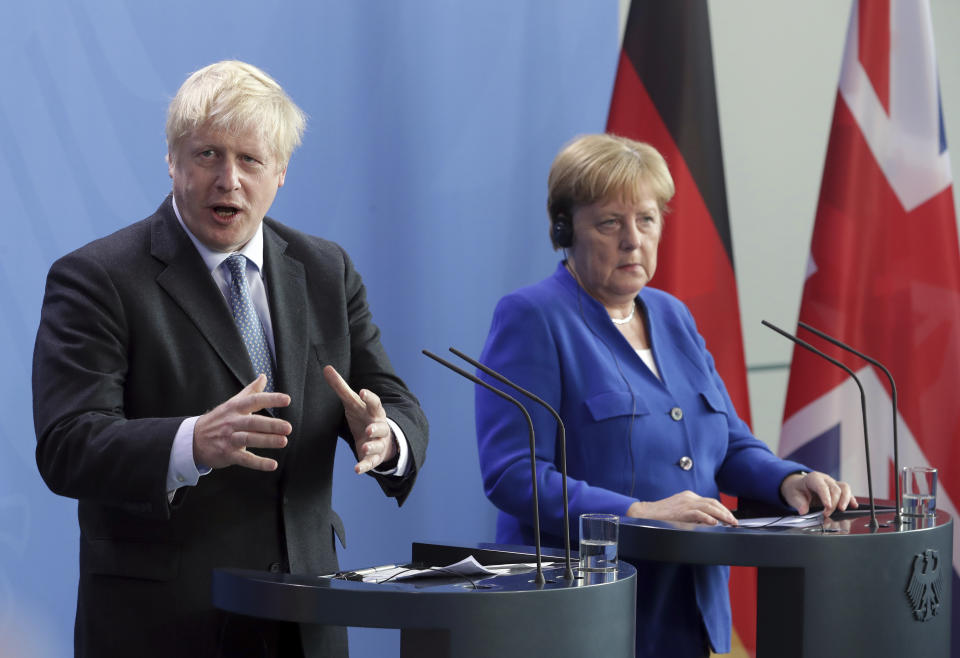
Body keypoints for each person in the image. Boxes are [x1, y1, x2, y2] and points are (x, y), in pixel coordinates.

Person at [32, 60, 428, 658]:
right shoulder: (97, 278)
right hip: (166, 622)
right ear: (172, 160)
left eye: (251, 160)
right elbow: (67, 443)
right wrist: (191, 441)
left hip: (306, 614)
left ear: (281, 172)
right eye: (207, 155)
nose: (229, 180)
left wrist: (385, 434)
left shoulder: (326, 270)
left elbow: (392, 399)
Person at [474, 133, 855, 658]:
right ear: (566, 230)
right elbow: (513, 476)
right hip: (585, 611)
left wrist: (789, 478)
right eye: (610, 222)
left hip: (688, 607)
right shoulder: (533, 318)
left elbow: (728, 445)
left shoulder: (673, 316)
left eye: (647, 219)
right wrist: (639, 511)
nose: (633, 240)